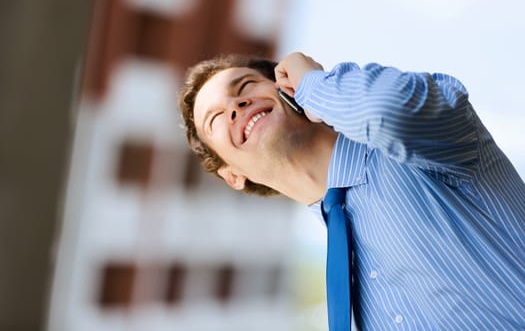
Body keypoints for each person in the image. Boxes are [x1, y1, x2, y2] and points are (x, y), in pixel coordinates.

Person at [178, 52, 525, 330]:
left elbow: (388, 108)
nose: (235, 107)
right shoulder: (342, 269)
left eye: (245, 87)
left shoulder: (421, 151)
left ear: (287, 88)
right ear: (233, 175)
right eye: (215, 118)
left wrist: (315, 83)